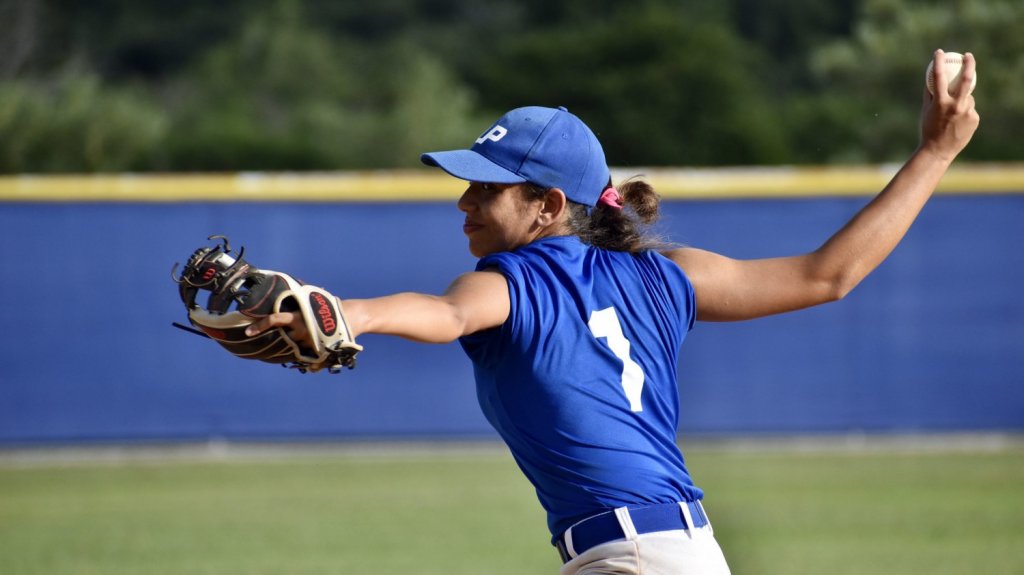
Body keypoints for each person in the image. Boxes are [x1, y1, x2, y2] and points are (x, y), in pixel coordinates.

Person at [247, 50, 979, 574]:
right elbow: (828, 275)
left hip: (628, 557)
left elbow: (445, 314)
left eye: (488, 188)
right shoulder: (664, 275)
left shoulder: (515, 281)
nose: (465, 201)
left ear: (547, 206)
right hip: (687, 553)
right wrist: (935, 154)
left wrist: (347, 313)